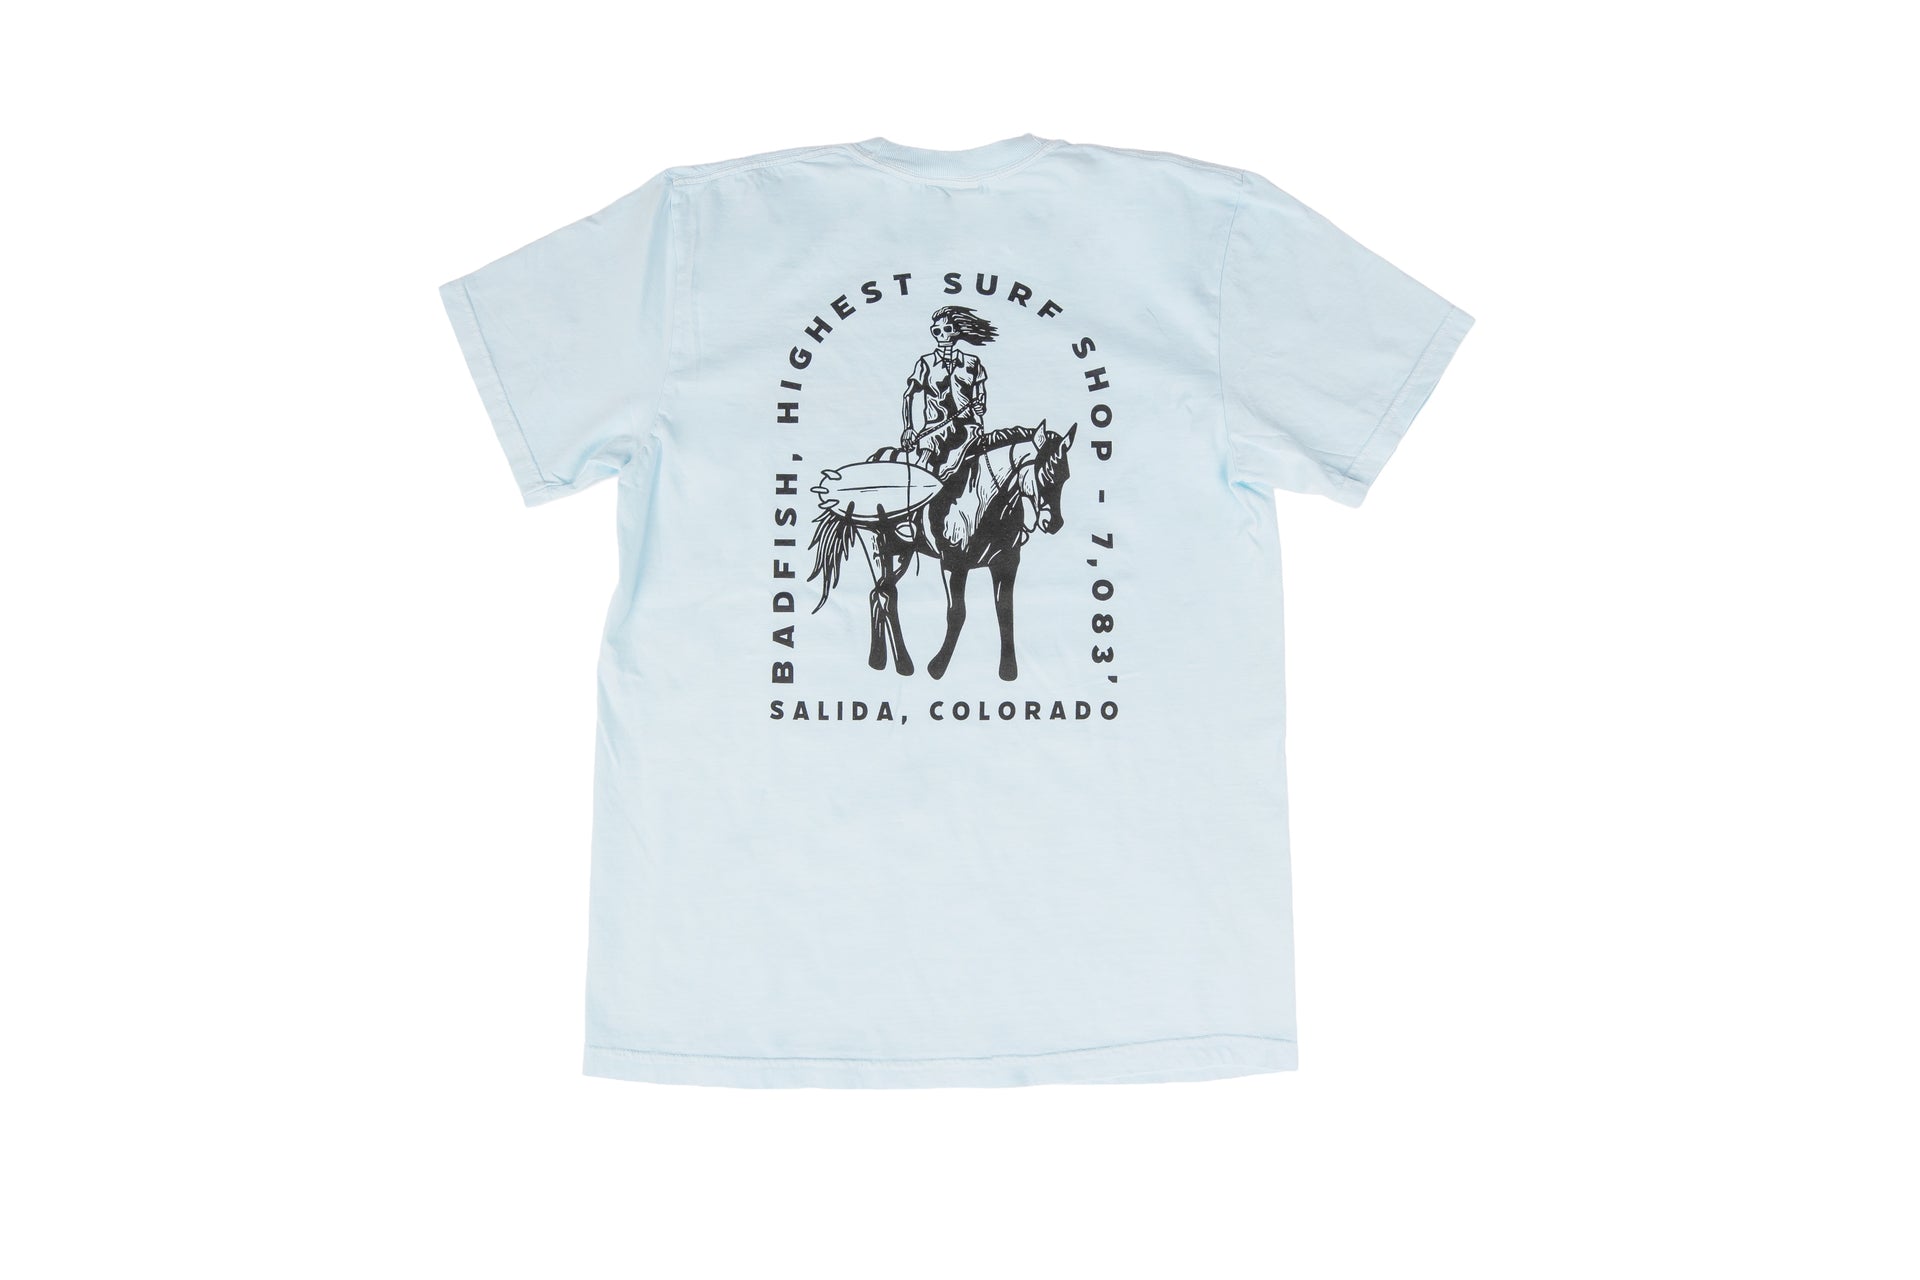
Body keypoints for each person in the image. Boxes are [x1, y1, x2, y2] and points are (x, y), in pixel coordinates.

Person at [899, 306, 995, 478]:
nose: (941, 335)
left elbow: (980, 393)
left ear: (957, 331)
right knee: (924, 461)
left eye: (947, 329)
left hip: (968, 426)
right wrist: (908, 428)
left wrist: (981, 405)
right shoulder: (926, 362)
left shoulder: (972, 362)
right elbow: (908, 395)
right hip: (935, 428)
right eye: (936, 331)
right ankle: (919, 491)